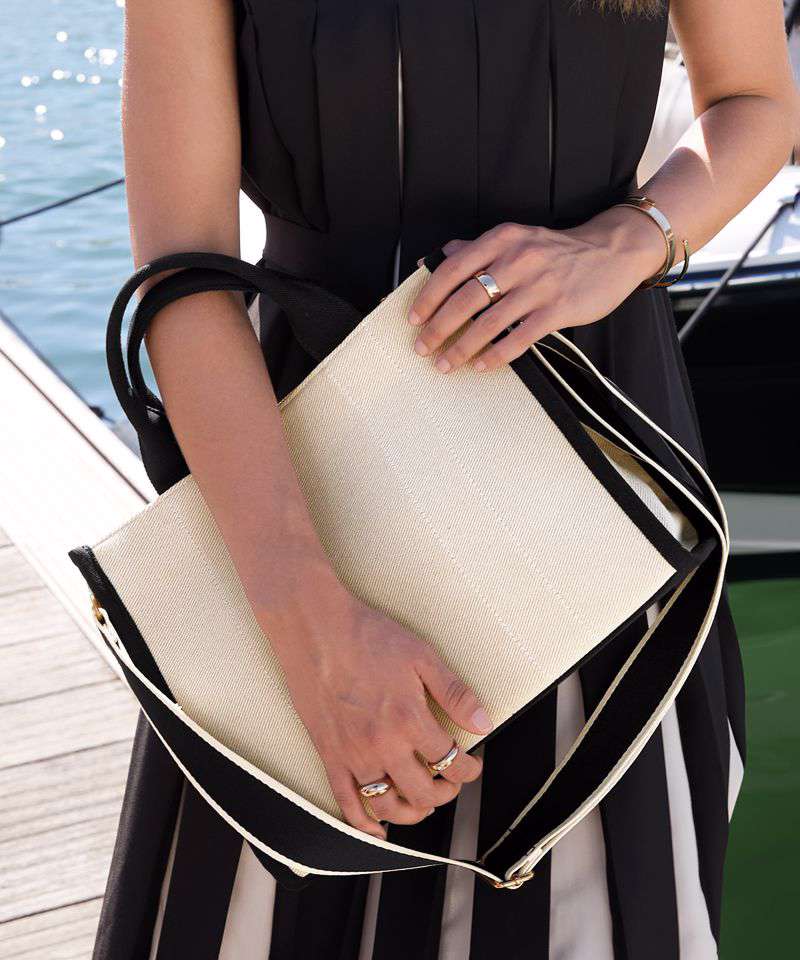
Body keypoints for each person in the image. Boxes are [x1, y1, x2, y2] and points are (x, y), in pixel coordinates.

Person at [94, 1, 798, 958]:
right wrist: (315, 630)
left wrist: (624, 242)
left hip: (600, 489)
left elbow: (755, 100)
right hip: (292, 494)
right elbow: (183, 276)